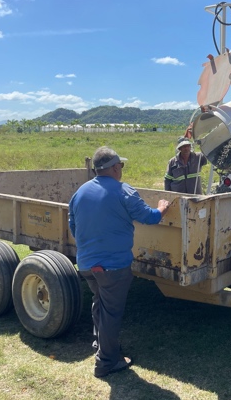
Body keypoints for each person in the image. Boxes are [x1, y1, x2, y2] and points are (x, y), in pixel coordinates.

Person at [68, 146, 170, 378]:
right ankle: (106, 362)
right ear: (115, 167)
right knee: (111, 312)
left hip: (86, 264)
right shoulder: (124, 192)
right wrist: (162, 208)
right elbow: (149, 217)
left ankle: (100, 343)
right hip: (113, 267)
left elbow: (73, 224)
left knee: (99, 302)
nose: (121, 169)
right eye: (120, 166)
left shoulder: (81, 192)